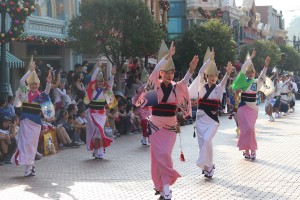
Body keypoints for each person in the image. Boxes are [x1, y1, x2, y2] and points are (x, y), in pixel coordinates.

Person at [135, 41, 198, 200]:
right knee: (158, 157)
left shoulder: (177, 87)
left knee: (164, 155)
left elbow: (185, 82)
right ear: (161, 73)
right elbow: (154, 73)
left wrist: (191, 71)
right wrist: (168, 56)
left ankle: (165, 187)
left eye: (172, 72)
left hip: (170, 127)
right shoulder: (155, 86)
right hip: (155, 125)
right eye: (166, 72)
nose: (169, 75)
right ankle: (165, 189)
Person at [188, 48, 233, 178]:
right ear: (206, 76)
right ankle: (209, 167)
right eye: (211, 75)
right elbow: (200, 71)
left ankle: (203, 164)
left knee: (207, 140)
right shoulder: (201, 86)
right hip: (201, 120)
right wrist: (209, 60)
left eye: (215, 76)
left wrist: (228, 73)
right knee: (204, 145)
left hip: (212, 121)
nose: (213, 78)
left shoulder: (219, 89)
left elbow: (224, 81)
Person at [11, 57, 52, 176]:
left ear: (38, 85)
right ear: (29, 84)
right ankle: (30, 167)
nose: (34, 86)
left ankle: (30, 167)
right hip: (25, 121)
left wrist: (49, 82)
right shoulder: (24, 92)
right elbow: (21, 81)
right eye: (32, 84)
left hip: (35, 123)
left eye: (36, 84)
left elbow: (47, 92)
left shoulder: (40, 96)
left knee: (31, 144)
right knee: (24, 144)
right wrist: (30, 71)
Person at [231, 49, 271, 159]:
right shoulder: (243, 81)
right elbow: (243, 69)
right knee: (244, 129)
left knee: (250, 129)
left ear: (254, 73)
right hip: (243, 108)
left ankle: (253, 149)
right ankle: (246, 151)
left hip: (252, 108)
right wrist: (251, 58)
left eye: (252, 72)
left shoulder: (256, 82)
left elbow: (263, 76)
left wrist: (266, 66)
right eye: (249, 72)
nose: (250, 74)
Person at [84, 60, 117, 159]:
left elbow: (110, 85)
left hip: (101, 115)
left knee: (99, 132)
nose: (100, 83)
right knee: (95, 133)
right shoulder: (92, 91)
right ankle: (96, 150)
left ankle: (101, 151)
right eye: (98, 81)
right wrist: (98, 68)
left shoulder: (105, 91)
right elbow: (92, 79)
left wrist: (112, 75)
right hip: (92, 114)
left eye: (102, 81)